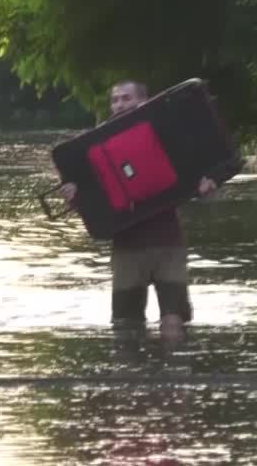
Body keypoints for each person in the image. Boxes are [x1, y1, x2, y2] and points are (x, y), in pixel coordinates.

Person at [59, 81, 218, 339]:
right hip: (127, 247)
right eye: (115, 100)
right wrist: (73, 197)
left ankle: (176, 373)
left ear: (144, 102)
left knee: (174, 317)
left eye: (126, 98)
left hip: (168, 243)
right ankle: (131, 377)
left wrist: (208, 187)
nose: (120, 104)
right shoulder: (98, 146)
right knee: (126, 324)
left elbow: (197, 178)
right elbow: (87, 205)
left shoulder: (165, 135)